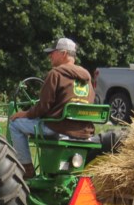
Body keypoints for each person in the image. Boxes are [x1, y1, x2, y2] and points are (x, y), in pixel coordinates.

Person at [9, 37, 95, 179]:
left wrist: (24, 113)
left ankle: (27, 169)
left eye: (53, 52)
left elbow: (43, 107)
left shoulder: (55, 74)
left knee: (15, 124)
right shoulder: (87, 78)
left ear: (64, 54)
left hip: (59, 127)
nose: (50, 56)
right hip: (83, 131)